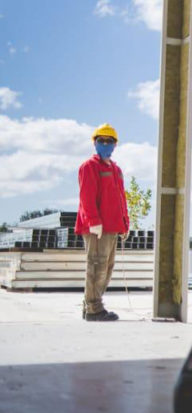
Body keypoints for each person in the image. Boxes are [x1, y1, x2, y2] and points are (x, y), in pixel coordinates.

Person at [76, 123, 130, 321]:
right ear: (95, 142)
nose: (105, 143)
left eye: (109, 141)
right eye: (102, 140)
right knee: (97, 266)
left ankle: (90, 305)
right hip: (97, 228)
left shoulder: (116, 169)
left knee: (106, 268)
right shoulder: (89, 167)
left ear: (115, 144)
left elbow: (120, 199)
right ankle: (94, 309)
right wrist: (93, 221)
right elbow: (86, 197)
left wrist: (125, 223)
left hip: (112, 227)